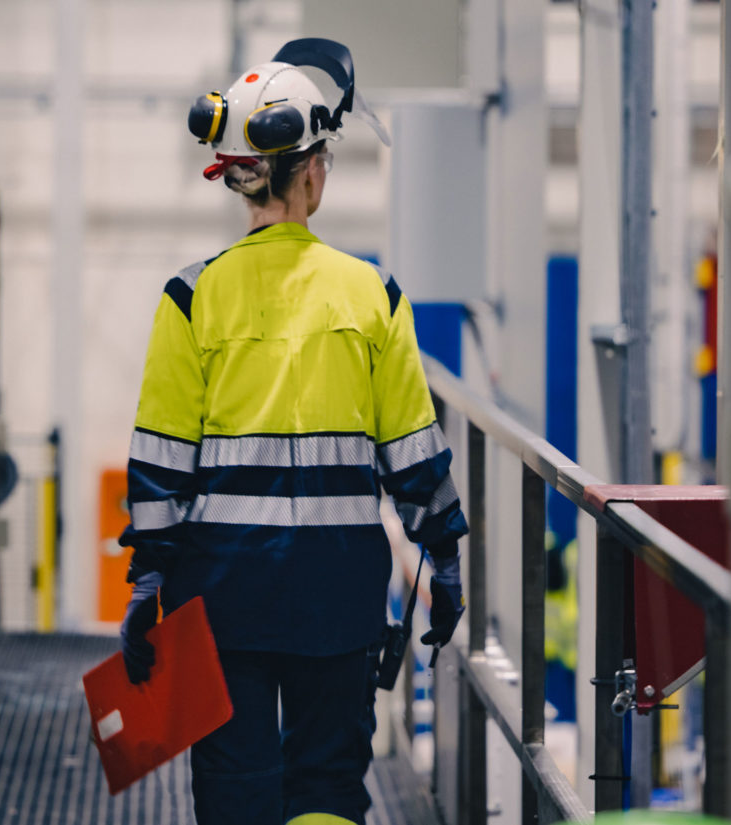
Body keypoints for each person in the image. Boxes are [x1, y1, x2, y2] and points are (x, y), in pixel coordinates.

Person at [117, 38, 469, 825]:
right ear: (311, 171)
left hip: (222, 598)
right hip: (338, 595)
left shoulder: (190, 297)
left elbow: (162, 459)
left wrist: (148, 580)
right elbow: (413, 448)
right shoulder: (372, 294)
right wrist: (443, 555)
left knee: (236, 793)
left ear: (240, 178)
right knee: (326, 791)